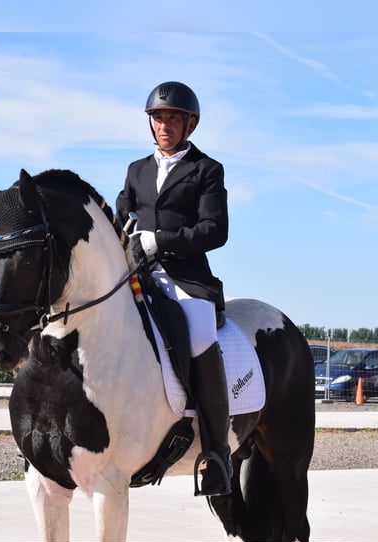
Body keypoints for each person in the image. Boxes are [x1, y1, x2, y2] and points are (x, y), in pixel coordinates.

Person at [116, 81, 232, 497]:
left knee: (199, 333)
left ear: (189, 124)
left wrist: (161, 241)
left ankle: (218, 454)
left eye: (172, 119)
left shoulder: (207, 170)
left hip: (187, 277)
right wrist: (123, 232)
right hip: (139, 273)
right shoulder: (137, 170)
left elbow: (214, 230)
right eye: (159, 118)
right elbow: (122, 211)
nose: (164, 125)